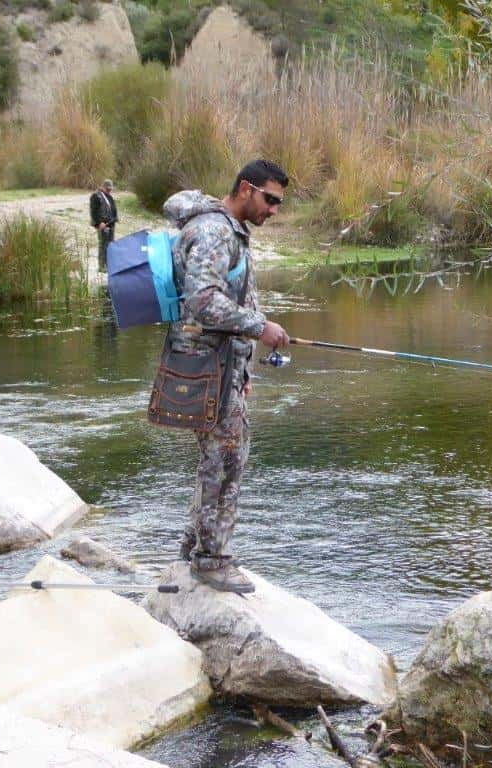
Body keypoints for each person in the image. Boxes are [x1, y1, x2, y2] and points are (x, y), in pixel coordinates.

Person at [161, 159, 290, 594]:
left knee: (221, 456)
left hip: (221, 367)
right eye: (270, 199)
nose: (273, 210)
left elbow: (229, 301)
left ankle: (193, 546)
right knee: (226, 460)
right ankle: (211, 560)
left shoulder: (228, 231)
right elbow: (202, 301)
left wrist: (244, 369)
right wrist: (260, 328)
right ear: (246, 188)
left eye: (278, 203)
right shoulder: (216, 232)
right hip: (208, 369)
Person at [89, 179, 118, 273]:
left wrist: (115, 219)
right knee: (103, 245)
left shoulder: (109, 196)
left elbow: (113, 209)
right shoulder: (96, 196)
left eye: (110, 189)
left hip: (111, 224)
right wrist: (99, 223)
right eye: (107, 189)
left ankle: (109, 265)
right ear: (102, 187)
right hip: (102, 225)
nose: (109, 190)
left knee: (110, 245)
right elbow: (93, 211)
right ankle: (101, 266)